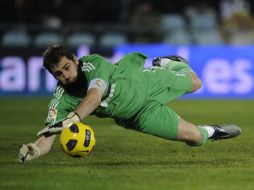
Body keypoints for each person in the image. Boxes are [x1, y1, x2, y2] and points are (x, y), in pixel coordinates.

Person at [18, 45, 241, 162]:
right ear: (53, 76)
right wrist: (35, 149)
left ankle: (170, 63)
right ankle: (213, 131)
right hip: (137, 115)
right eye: (58, 74)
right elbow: (48, 136)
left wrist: (71, 120)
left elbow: (94, 97)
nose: (65, 75)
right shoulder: (61, 100)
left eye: (67, 67)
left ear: (76, 60)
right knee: (194, 138)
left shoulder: (92, 63)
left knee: (195, 83)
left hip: (144, 83)